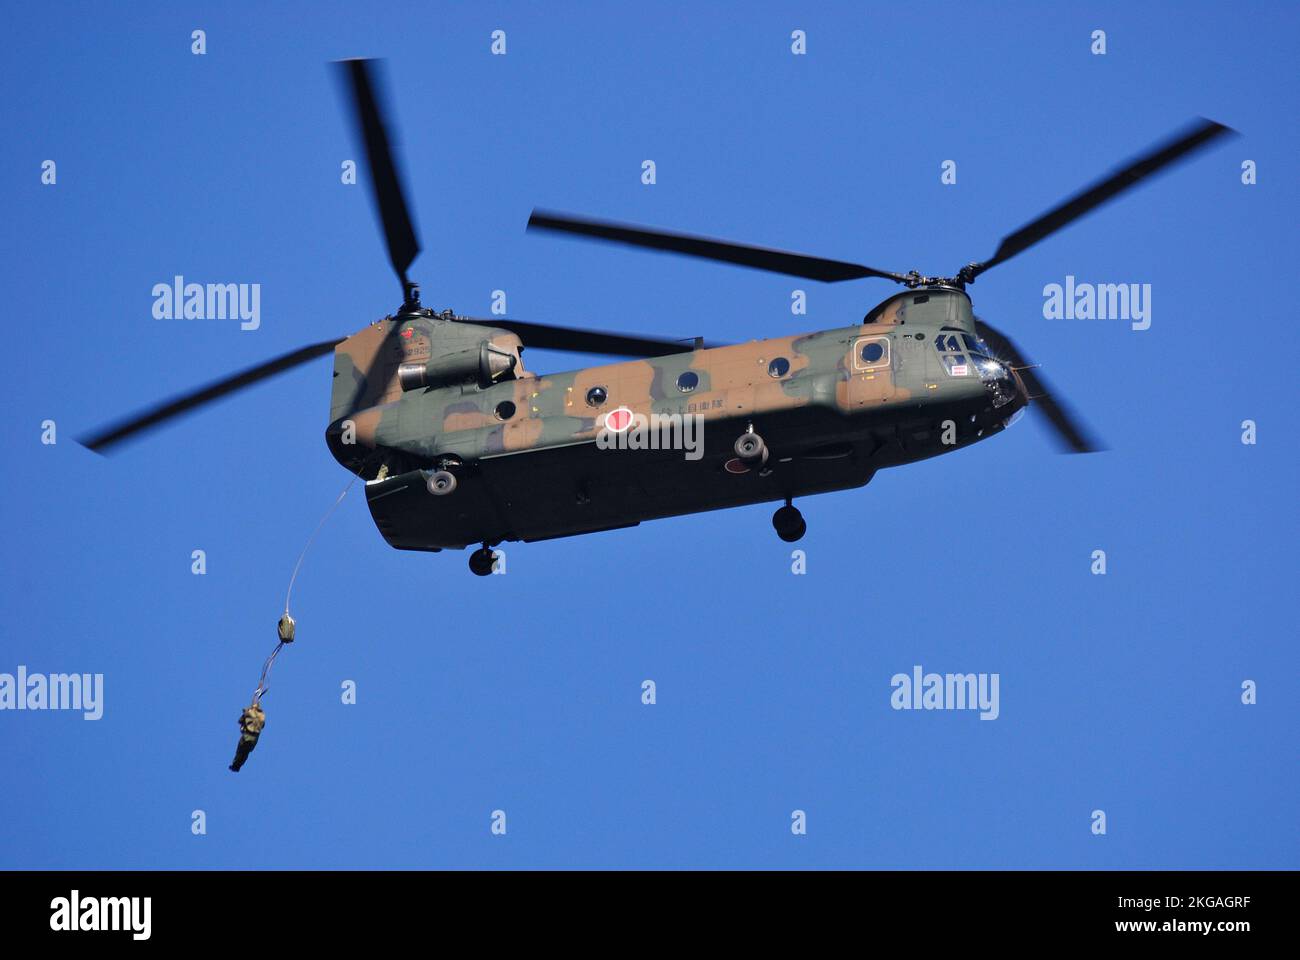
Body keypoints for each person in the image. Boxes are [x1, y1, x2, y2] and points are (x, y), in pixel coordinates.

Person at [229, 702, 266, 772]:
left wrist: (246, 713)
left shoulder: (249, 712)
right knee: (245, 753)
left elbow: (239, 721)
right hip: (253, 740)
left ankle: (235, 765)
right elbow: (263, 725)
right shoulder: (262, 715)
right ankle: (237, 766)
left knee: (240, 751)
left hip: (246, 737)